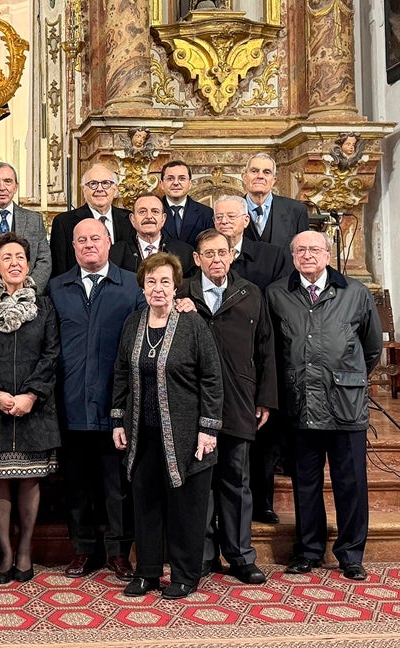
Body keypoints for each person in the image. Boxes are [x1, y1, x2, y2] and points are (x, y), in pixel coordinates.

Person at [267, 231, 381, 582]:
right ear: (292, 256)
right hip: (300, 404)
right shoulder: (277, 294)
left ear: (327, 254)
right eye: (300, 250)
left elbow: (371, 348)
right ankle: (309, 551)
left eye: (314, 249)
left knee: (351, 483)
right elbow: (272, 350)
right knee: (305, 483)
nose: (307, 255)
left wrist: (347, 379)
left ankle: (350, 553)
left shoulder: (356, 293)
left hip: (344, 404)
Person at [112, 253, 224, 599]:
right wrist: (117, 419)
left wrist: (209, 428)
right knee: (145, 506)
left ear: (176, 286)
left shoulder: (192, 324)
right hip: (142, 434)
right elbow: (120, 373)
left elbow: (212, 377)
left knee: (186, 508)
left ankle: (185, 575)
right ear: (142, 287)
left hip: (187, 435)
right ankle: (146, 573)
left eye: (164, 282)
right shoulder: (133, 323)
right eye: (151, 282)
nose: (157, 288)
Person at [47, 219, 144, 580]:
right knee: (77, 485)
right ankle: (83, 549)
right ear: (72, 247)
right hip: (70, 405)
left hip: (114, 406)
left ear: (109, 242)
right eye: (81, 240)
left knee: (117, 485)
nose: (89, 245)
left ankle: (119, 552)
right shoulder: (58, 288)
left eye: (95, 238)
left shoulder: (131, 287)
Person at [182, 229, 276, 584]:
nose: (216, 259)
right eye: (208, 253)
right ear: (197, 259)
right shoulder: (182, 293)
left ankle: (239, 555)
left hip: (239, 399)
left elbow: (266, 347)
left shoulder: (250, 293)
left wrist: (265, 397)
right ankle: (204, 554)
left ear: (232, 254)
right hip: (193, 403)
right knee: (200, 481)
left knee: (236, 480)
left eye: (222, 252)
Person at [0, 234, 61, 584]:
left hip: (34, 409)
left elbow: (52, 355)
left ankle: (25, 550)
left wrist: (31, 395)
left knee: (29, 480)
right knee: (1, 482)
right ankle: (4, 551)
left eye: (20, 257)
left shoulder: (45, 306)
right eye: (7, 258)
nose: (15, 263)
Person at [211, 194, 289, 525]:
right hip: (219, 366)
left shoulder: (270, 256)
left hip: (258, 358)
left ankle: (264, 502)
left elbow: (277, 315)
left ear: (246, 220)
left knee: (262, 438)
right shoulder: (204, 260)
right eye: (219, 217)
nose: (224, 221)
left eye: (231, 216)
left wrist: (267, 393)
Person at [0, 161, 53, 291]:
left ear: (16, 186)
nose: (2, 187)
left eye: (8, 181)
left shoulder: (34, 220)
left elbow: (44, 260)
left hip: (28, 299)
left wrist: (29, 291)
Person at [49, 164, 136, 278]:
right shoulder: (64, 222)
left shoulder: (129, 219)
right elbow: (59, 268)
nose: (100, 189)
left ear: (115, 190)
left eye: (106, 183)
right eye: (93, 184)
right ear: (84, 190)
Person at [109, 193, 197, 279]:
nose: (149, 216)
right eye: (142, 212)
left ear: (163, 219)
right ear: (132, 219)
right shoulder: (116, 252)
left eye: (155, 211)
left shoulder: (185, 252)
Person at [242, 153, 310, 250]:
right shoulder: (229, 210)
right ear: (244, 177)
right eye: (254, 171)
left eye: (266, 172)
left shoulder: (296, 210)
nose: (260, 176)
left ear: (274, 180)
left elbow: (303, 252)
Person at [160, 160, 214, 246]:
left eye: (182, 178)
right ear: (162, 184)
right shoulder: (153, 213)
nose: (176, 183)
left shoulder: (206, 213)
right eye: (170, 178)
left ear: (190, 184)